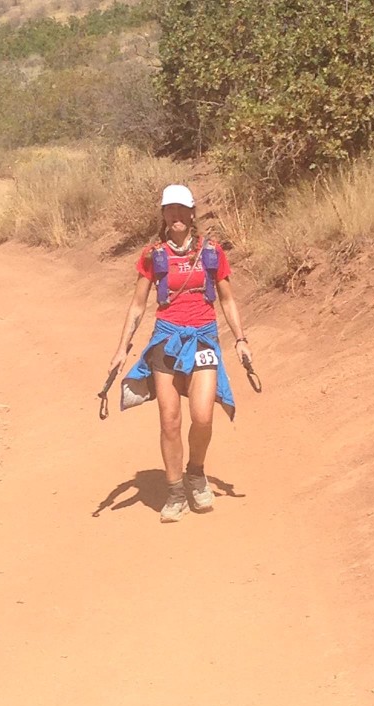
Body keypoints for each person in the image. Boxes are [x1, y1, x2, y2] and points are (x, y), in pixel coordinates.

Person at [107, 183, 252, 523]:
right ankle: (175, 492)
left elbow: (227, 299)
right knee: (169, 421)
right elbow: (138, 306)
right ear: (163, 214)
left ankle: (196, 473)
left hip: (203, 340)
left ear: (192, 213)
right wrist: (121, 349)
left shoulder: (212, 252)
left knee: (202, 416)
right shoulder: (153, 255)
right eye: (168, 209)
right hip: (166, 340)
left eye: (181, 209)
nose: (175, 215)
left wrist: (241, 339)